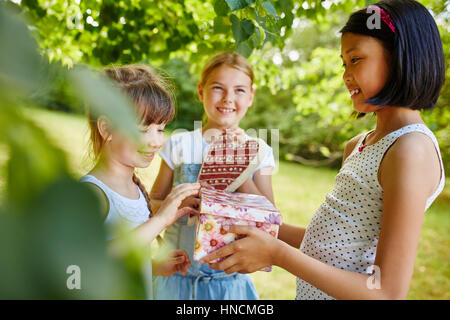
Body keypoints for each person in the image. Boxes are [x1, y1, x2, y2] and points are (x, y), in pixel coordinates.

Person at [200, 0, 445, 300]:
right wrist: (259, 229)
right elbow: (329, 244)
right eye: (344, 63)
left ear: (400, 57)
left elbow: (387, 292)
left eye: (356, 59)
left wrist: (277, 254)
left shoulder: (410, 150)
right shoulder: (358, 145)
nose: (345, 75)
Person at [150, 52, 276, 299]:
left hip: (228, 286)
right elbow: (151, 205)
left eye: (239, 90)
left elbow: (269, 216)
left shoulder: (260, 151)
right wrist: (175, 205)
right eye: (218, 88)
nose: (228, 98)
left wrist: (240, 171)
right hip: (175, 281)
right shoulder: (180, 145)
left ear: (251, 97)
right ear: (201, 91)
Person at [80, 64, 201, 299]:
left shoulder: (133, 188)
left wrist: (153, 265)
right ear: (106, 128)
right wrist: (160, 220)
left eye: (160, 129)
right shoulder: (92, 192)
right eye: (144, 130)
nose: (156, 141)